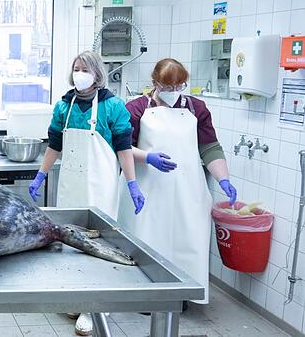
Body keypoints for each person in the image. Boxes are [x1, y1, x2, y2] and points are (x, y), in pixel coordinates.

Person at [27, 50, 141, 337]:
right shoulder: (64, 106)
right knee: (69, 242)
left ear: (97, 74)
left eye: (85, 69)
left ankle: (95, 308)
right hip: (71, 187)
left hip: (100, 188)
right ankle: (76, 298)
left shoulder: (113, 106)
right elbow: (55, 144)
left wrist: (132, 183)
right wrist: (41, 174)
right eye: (76, 68)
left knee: (99, 247)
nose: (80, 73)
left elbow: (124, 149)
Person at [121, 58, 237, 305]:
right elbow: (121, 148)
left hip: (188, 191)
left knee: (188, 240)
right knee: (150, 241)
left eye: (179, 86)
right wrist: (148, 158)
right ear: (155, 83)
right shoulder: (137, 108)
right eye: (167, 87)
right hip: (148, 190)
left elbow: (209, 148)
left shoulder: (197, 109)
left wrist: (223, 178)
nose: (173, 92)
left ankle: (183, 295)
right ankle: (146, 298)